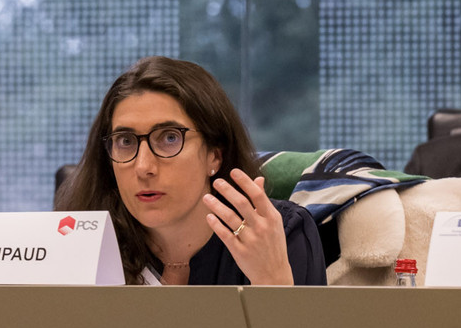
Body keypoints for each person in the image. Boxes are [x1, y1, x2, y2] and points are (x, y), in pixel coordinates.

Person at [57, 56, 325, 286]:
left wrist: (272, 282)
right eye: (126, 142)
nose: (143, 167)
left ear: (214, 156)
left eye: (170, 138)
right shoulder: (87, 245)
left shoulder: (277, 234)